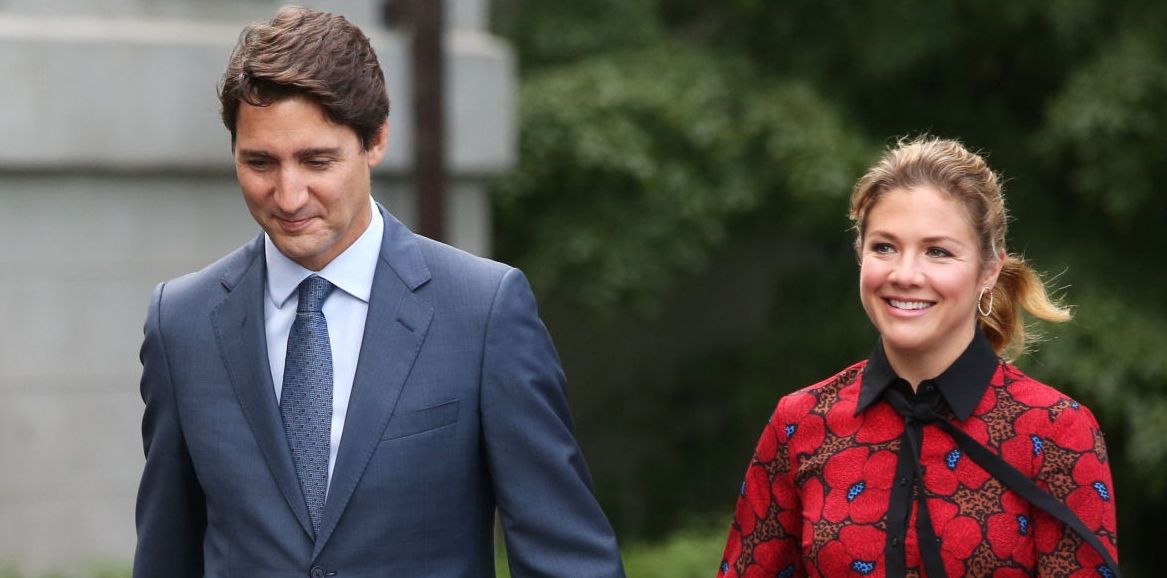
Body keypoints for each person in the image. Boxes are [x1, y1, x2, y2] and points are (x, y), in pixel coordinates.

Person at [132, 7, 624, 577]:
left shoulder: (484, 312)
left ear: (376, 140)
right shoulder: (181, 323)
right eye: (260, 163)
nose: (288, 196)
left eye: (317, 161)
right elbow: (166, 556)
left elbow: (567, 559)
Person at [717, 136, 1119, 577]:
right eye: (884, 247)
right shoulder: (799, 424)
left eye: (938, 252)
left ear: (989, 269)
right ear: (860, 254)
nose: (905, 275)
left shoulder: (1056, 429)